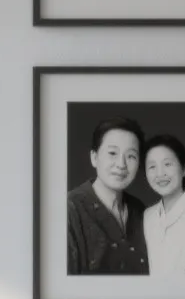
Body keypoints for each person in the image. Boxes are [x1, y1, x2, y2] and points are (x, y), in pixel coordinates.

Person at [64, 117, 150, 275]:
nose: (121, 164)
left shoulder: (141, 212)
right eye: (112, 153)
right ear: (94, 157)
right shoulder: (69, 210)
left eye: (131, 156)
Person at [141, 134, 185, 277]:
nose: (160, 173)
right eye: (152, 166)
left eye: (167, 164)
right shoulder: (147, 216)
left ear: (184, 169)